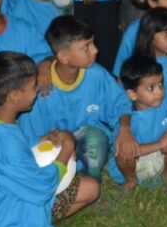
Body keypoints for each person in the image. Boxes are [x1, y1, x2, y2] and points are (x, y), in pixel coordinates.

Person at [0, 51, 99, 227]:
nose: (38, 90)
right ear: (14, 96)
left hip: (21, 206)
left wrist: (42, 139)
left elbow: (19, 150)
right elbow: (43, 187)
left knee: (91, 188)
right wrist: (67, 148)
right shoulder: (5, 144)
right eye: (33, 87)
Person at [19, 16, 132, 178]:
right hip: (54, 143)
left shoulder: (96, 74)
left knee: (96, 139)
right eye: (86, 47)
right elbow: (28, 137)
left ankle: (90, 178)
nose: (95, 50)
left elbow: (121, 103)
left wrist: (124, 128)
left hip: (85, 139)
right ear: (64, 56)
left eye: (93, 43)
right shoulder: (40, 86)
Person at [109, 53, 167, 190]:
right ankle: (131, 182)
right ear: (133, 94)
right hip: (136, 165)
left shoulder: (165, 101)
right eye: (151, 88)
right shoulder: (127, 118)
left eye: (160, 85)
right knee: (124, 153)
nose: (159, 92)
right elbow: (128, 151)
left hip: (162, 158)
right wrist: (160, 144)